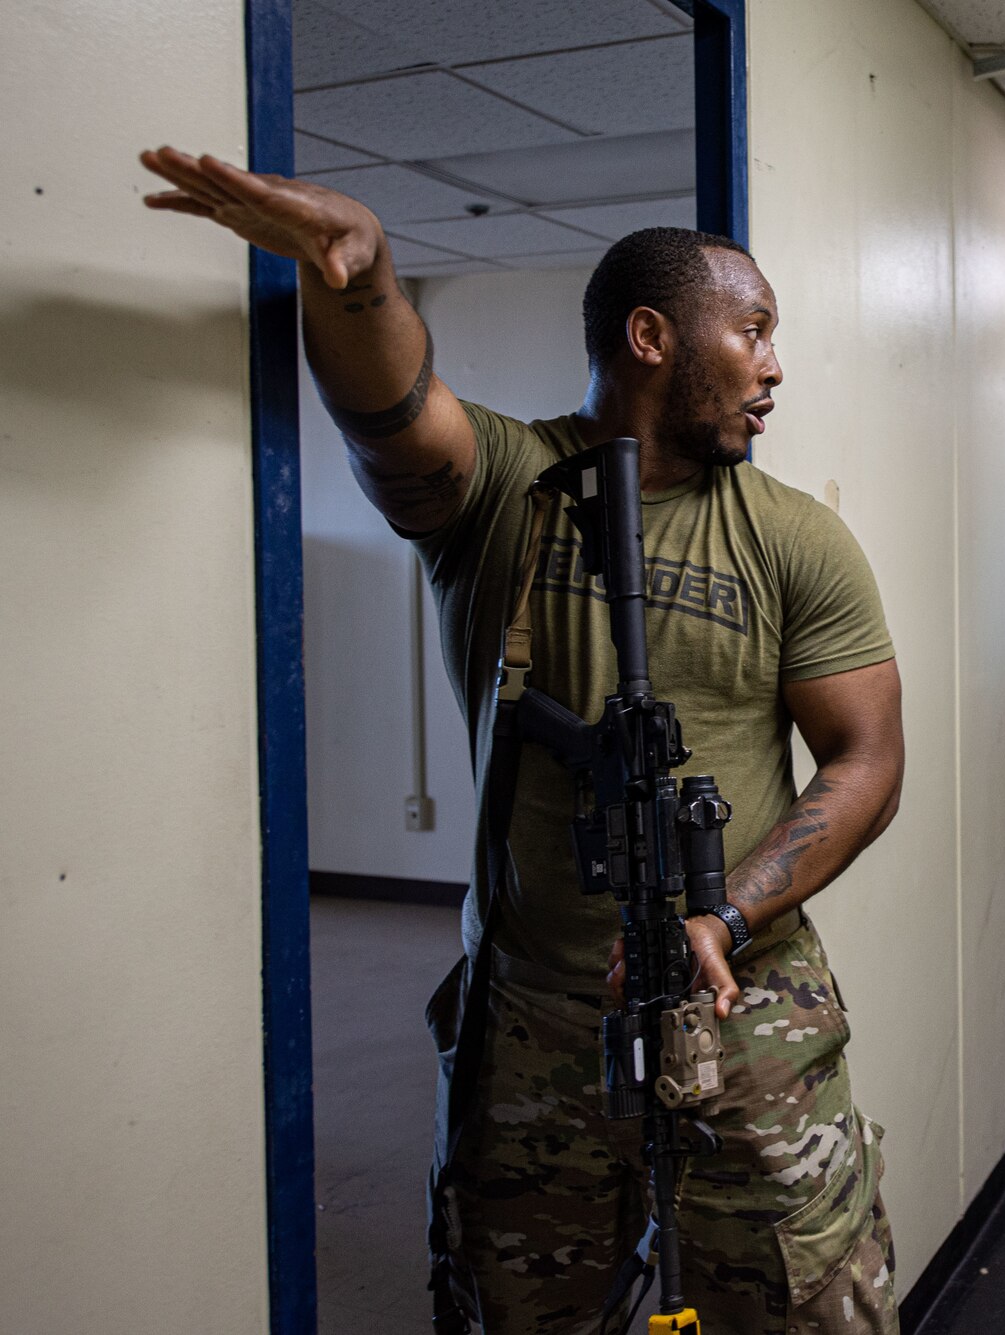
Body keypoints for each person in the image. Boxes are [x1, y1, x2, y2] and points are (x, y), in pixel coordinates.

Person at [139, 147, 905, 1331]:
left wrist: (728, 910)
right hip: (534, 1020)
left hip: (745, 1008)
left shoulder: (794, 539)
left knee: (809, 1305)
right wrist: (359, 276)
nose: (773, 365)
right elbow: (393, 417)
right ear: (650, 337)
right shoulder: (507, 488)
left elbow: (864, 762)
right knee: (518, 1308)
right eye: (751, 330)